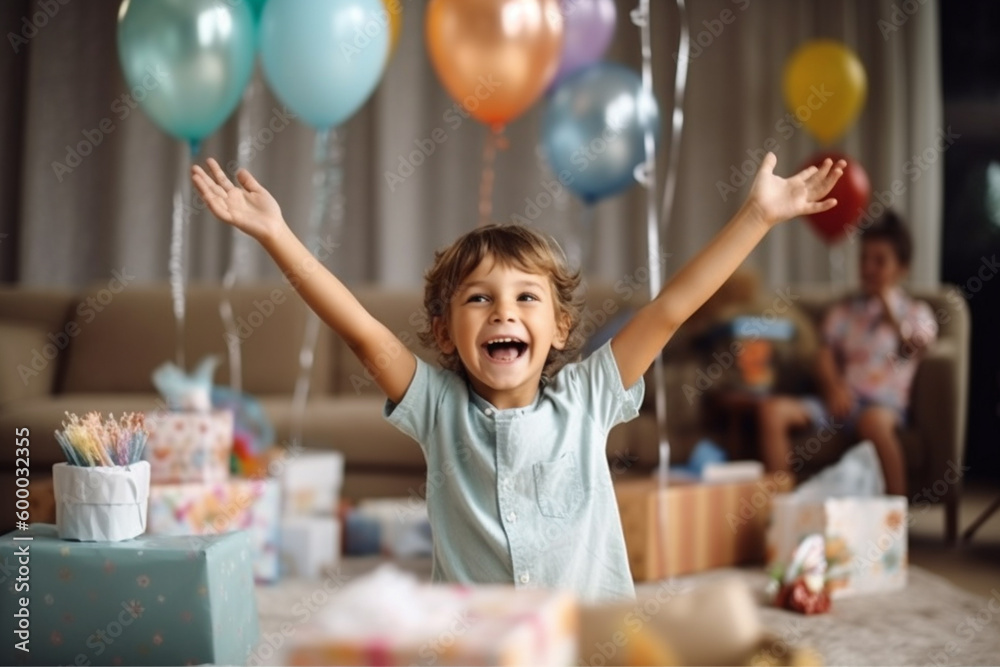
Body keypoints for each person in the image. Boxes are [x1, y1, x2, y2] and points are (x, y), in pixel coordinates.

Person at [191, 153, 844, 601]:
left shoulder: (589, 395)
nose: (504, 310)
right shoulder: (438, 407)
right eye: (479, 298)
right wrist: (275, 233)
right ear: (445, 332)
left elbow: (671, 309)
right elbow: (363, 332)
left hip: (587, 642)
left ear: (560, 328)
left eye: (526, 298)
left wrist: (756, 215)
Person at [758, 211, 938, 496]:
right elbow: (824, 353)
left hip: (883, 406)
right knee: (772, 412)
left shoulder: (916, 312)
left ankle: (895, 518)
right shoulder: (844, 312)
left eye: (879, 261)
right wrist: (833, 387)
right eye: (864, 258)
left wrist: (888, 308)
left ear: (902, 268)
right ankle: (781, 511)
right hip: (840, 403)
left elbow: (916, 346)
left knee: (873, 424)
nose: (868, 267)